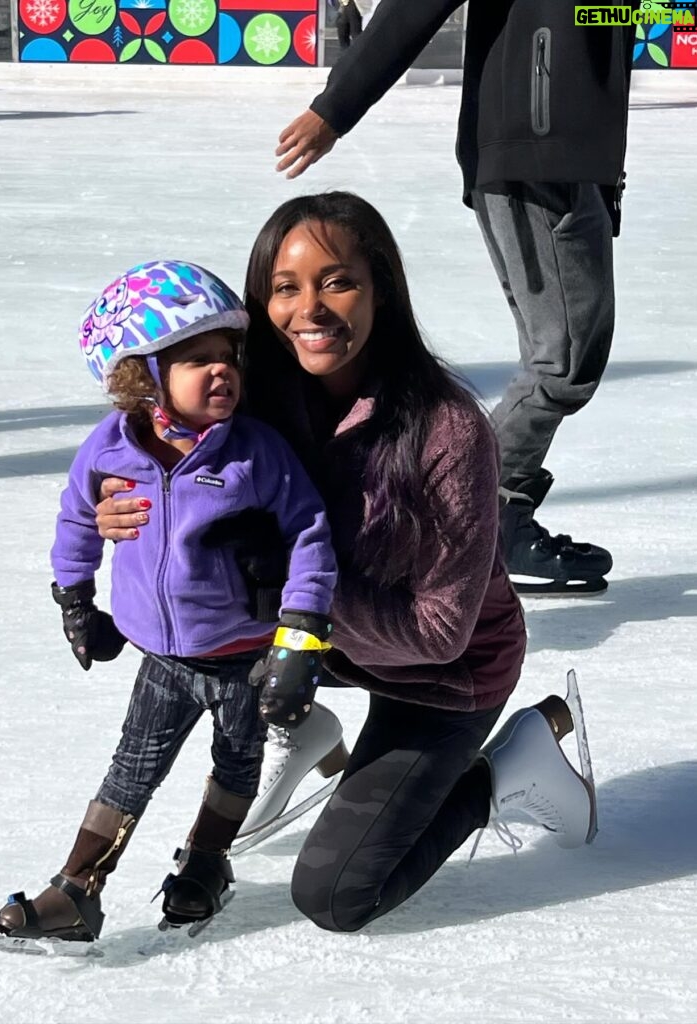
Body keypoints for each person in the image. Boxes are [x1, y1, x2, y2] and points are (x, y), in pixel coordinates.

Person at [95, 194, 597, 934]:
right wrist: (123, 500)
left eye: (337, 282)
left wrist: (298, 603)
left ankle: (505, 769)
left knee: (335, 897)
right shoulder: (254, 402)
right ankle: (298, 727)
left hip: (439, 678)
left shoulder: (448, 431)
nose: (310, 308)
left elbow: (439, 634)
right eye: (286, 287)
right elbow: (149, 442)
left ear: (381, 290)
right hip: (317, 652)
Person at [0, 260, 337, 950]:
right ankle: (77, 890)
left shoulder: (255, 452)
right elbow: (77, 518)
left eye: (227, 356)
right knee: (131, 770)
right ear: (143, 375)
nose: (220, 372)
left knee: (235, 763)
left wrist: (301, 638)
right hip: (163, 658)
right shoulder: (111, 448)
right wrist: (75, 597)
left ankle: (205, 865)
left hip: (245, 653)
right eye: (195, 359)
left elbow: (311, 537)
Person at [273, 0, 640, 597]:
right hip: (535, 148)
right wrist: (336, 107)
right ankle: (477, 521)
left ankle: (485, 518)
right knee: (561, 362)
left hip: (571, 153)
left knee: (566, 356)